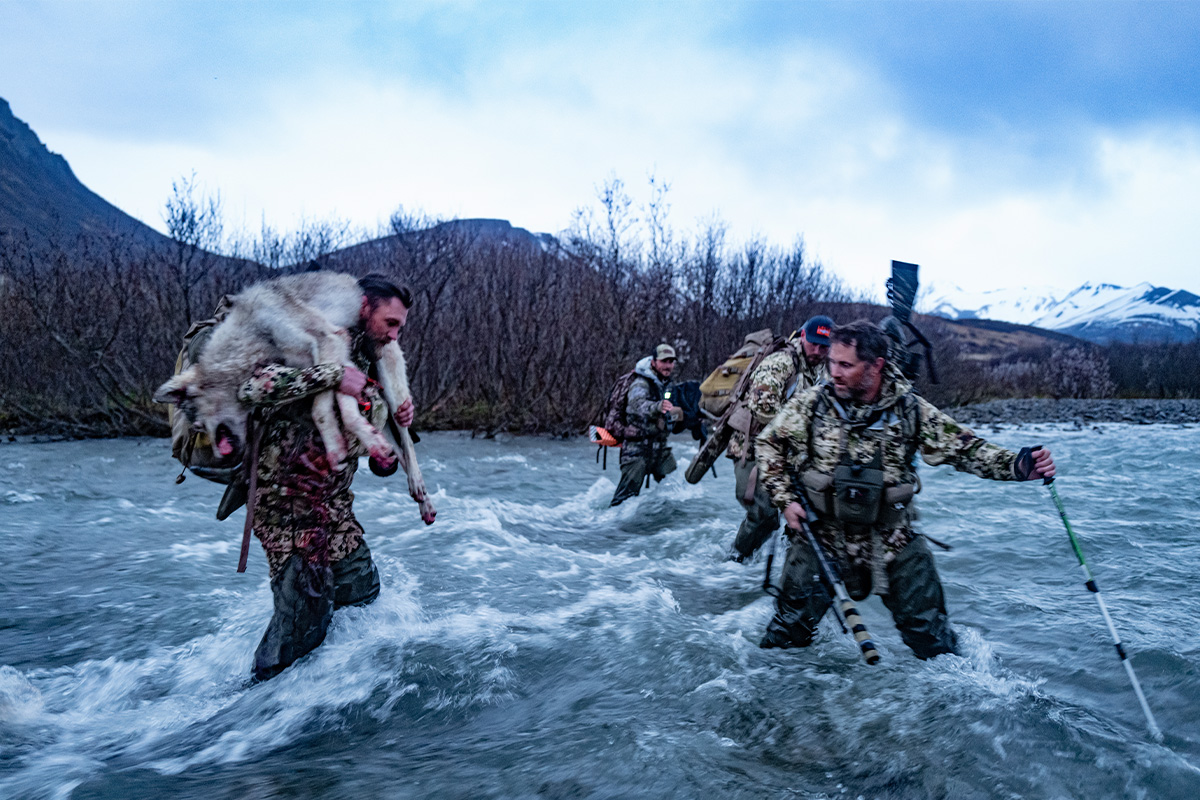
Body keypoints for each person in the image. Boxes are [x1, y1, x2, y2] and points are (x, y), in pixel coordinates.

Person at [755, 320, 1055, 659]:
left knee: (937, 648)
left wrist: (1018, 465)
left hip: (891, 541)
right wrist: (786, 500)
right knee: (783, 643)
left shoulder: (910, 411)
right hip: (821, 538)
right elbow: (768, 445)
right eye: (831, 363)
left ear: (876, 366)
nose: (833, 372)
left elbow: (966, 449)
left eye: (845, 365)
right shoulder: (811, 405)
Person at [238, 274, 417, 681]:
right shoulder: (307, 333)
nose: (394, 336)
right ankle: (250, 710)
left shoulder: (371, 357)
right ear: (365, 307)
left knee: (361, 593)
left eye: (400, 328)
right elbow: (253, 386)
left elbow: (372, 455)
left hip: (334, 505)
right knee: (301, 622)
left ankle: (328, 692)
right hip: (287, 505)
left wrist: (389, 434)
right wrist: (329, 375)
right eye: (390, 323)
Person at [727, 315, 833, 562]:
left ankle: (791, 568)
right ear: (803, 336)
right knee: (763, 514)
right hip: (753, 449)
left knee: (808, 513)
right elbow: (761, 406)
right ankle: (733, 565)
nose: (818, 351)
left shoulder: (824, 370)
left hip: (793, 454)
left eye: (824, 346)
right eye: (814, 343)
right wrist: (801, 433)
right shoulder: (782, 362)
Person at [609, 344, 682, 507]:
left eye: (671, 361)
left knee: (678, 492)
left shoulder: (666, 383)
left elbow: (668, 404)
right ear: (654, 362)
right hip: (637, 449)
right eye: (664, 361)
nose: (668, 365)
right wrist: (657, 407)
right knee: (624, 501)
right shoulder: (640, 383)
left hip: (660, 450)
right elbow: (636, 406)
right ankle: (609, 529)